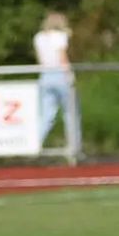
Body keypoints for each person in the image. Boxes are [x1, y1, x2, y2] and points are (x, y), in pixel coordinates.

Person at [33, 12, 81, 154]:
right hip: (60, 74)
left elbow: (40, 59)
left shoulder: (39, 37)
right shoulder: (60, 36)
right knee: (71, 112)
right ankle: (74, 146)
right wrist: (70, 74)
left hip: (45, 75)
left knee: (46, 114)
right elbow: (62, 57)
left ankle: (36, 144)